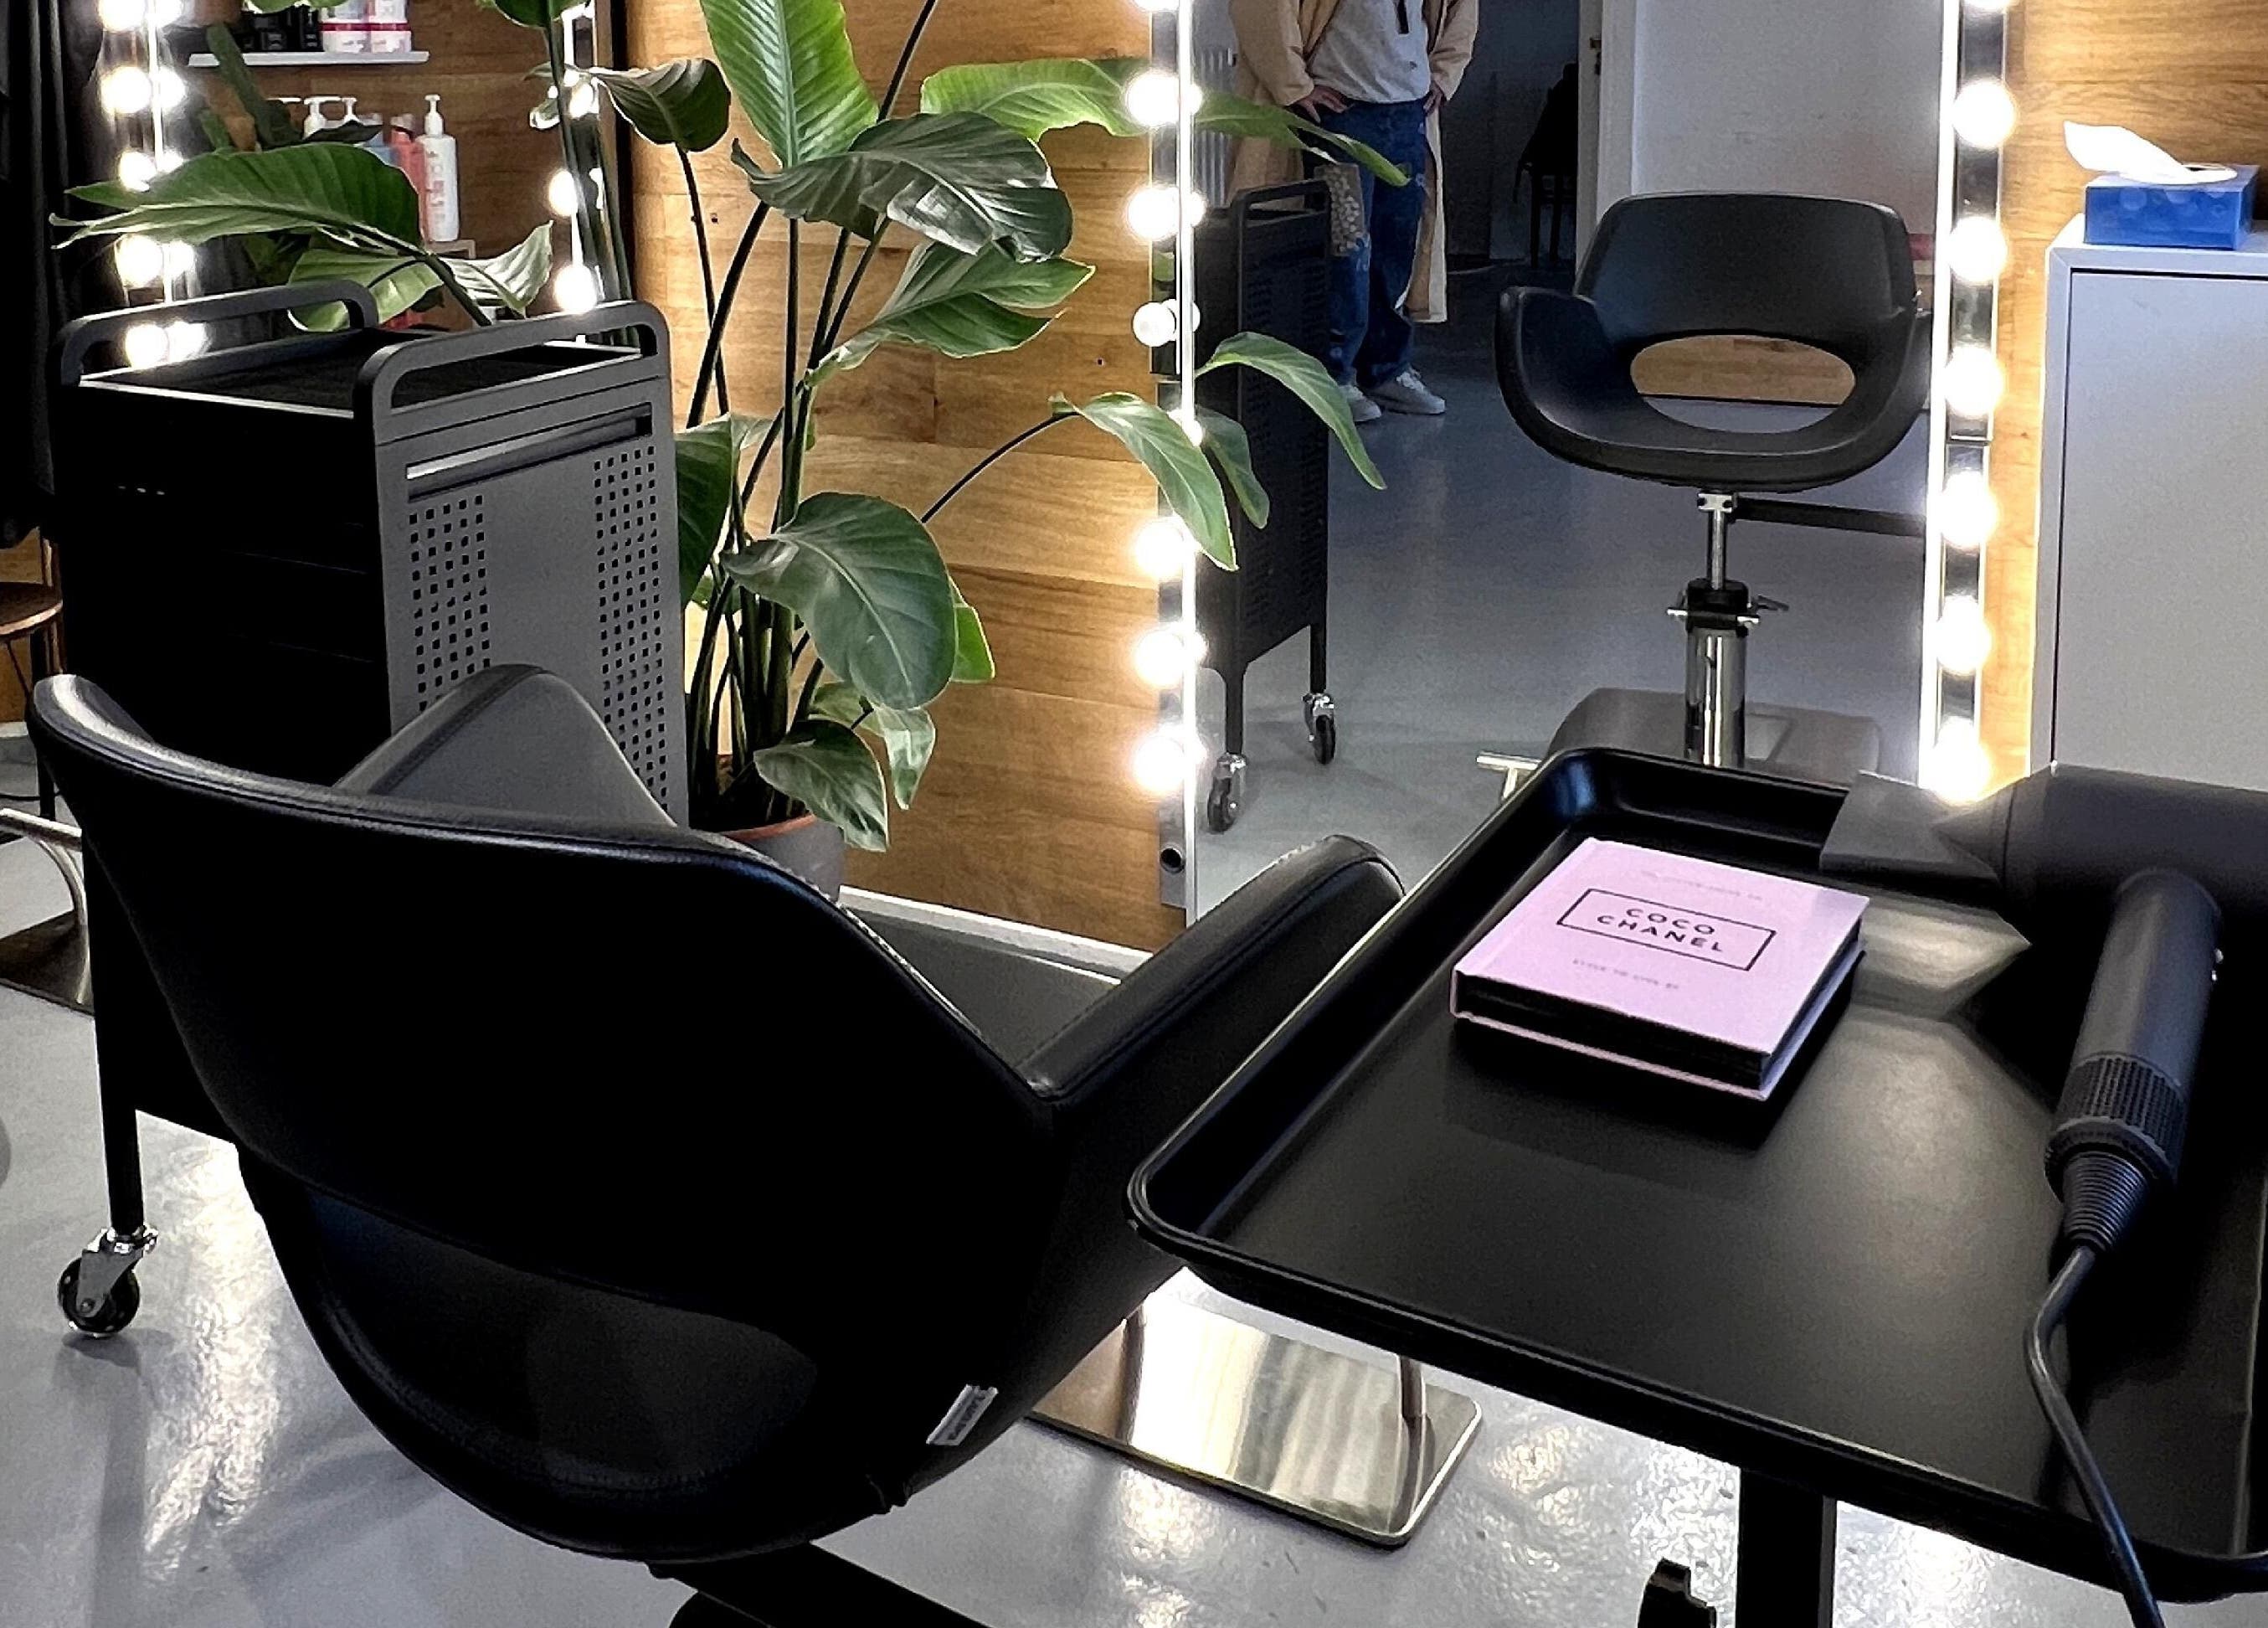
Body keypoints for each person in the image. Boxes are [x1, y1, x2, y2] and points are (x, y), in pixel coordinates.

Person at [1229, 0, 1479, 423]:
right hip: (1340, 114)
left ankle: (1387, 369)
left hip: (1406, 113)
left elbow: (1461, 13)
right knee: (1345, 251)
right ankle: (1334, 374)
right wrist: (1296, 84)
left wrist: (1443, 76)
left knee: (1396, 252)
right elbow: (1262, 9)